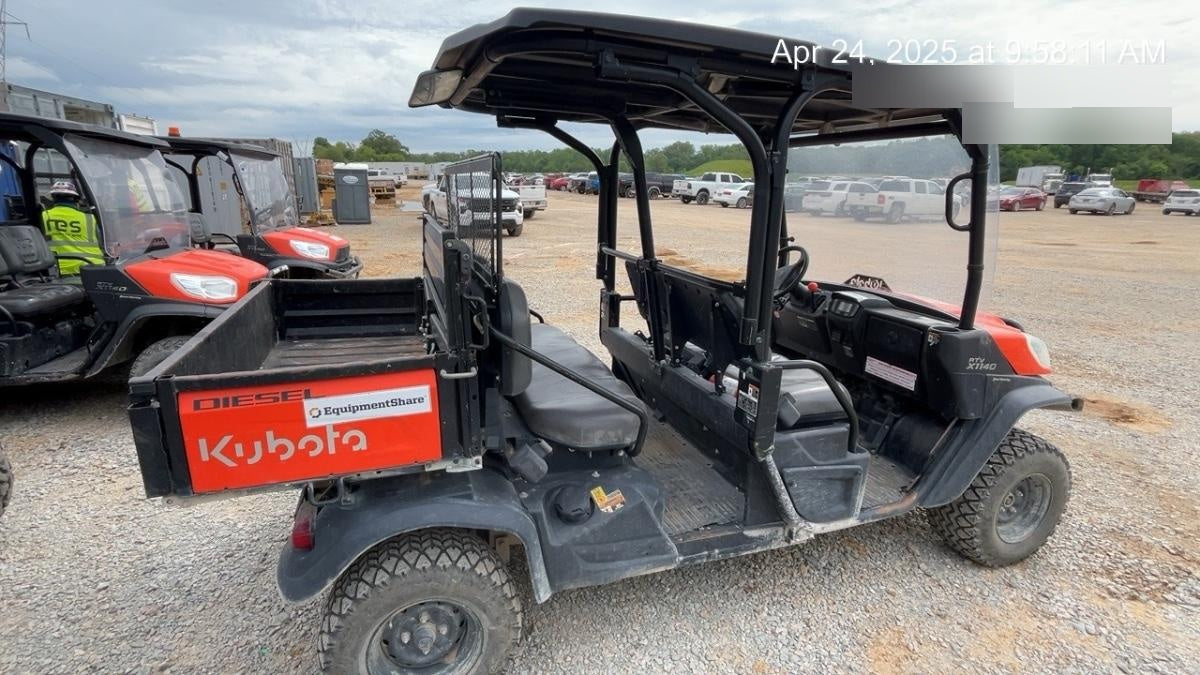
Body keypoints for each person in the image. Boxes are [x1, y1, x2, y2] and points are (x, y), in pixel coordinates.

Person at [40, 180, 104, 275]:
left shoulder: (43, 216)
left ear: (53, 198)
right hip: (92, 268)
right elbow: (102, 243)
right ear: (76, 199)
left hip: (60, 270)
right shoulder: (90, 219)